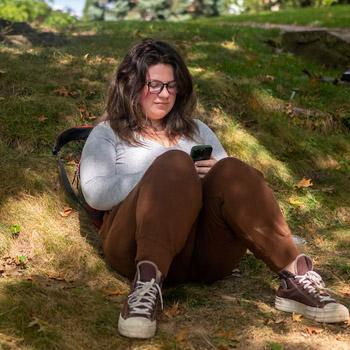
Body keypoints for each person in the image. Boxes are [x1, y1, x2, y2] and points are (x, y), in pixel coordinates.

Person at [79, 38, 349, 339]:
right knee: (174, 164)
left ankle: (295, 279)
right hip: (134, 247)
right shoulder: (108, 133)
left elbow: (239, 193)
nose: (164, 94)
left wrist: (214, 172)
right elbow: (95, 193)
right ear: (131, 84)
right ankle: (145, 290)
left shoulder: (197, 130)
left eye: (171, 85)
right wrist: (159, 169)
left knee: (232, 169)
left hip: (204, 255)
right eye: (154, 85)